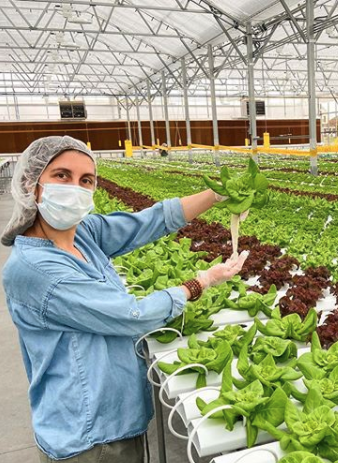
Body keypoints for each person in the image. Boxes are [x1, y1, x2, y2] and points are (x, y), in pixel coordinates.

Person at [1, 136, 248, 462]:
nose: (75, 188)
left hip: (114, 419)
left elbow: (149, 222)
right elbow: (132, 314)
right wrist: (200, 282)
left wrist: (216, 193)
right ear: (32, 184)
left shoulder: (82, 234)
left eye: (85, 180)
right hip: (89, 435)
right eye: (62, 176)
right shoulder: (35, 270)